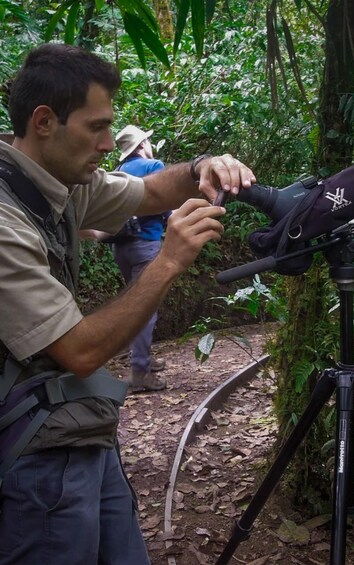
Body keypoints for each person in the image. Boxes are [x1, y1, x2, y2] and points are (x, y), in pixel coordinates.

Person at [0, 43, 255, 565]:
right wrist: (167, 262)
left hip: (78, 421)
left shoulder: (61, 184)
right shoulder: (6, 219)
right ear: (44, 121)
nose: (106, 143)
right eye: (96, 128)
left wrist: (202, 167)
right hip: (32, 447)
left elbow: (149, 192)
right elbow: (80, 350)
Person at [112, 125, 171, 392]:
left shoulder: (119, 172)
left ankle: (143, 359)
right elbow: (166, 200)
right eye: (147, 140)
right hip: (146, 244)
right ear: (141, 145)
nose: (150, 144)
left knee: (136, 304)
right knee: (145, 308)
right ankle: (140, 373)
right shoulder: (153, 165)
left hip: (120, 248)